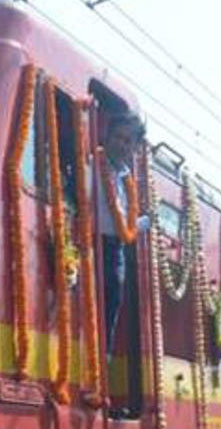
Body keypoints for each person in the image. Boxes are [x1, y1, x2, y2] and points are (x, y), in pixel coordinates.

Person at [96, 112, 150, 358]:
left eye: (129, 141)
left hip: (114, 246)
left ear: (135, 148)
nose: (122, 144)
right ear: (108, 135)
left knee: (114, 297)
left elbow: (124, 224)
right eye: (118, 137)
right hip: (91, 241)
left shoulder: (127, 179)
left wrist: (145, 223)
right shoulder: (91, 164)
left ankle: (104, 354)